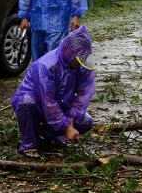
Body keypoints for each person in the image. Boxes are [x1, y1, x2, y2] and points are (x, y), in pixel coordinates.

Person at [11, 25, 96, 158]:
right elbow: (48, 102)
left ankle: (48, 136)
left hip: (61, 105)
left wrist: (70, 122)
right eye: (78, 59)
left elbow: (82, 97)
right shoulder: (46, 66)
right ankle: (30, 142)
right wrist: (66, 127)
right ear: (70, 52)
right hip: (38, 104)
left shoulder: (81, 66)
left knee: (86, 122)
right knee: (27, 103)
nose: (80, 63)